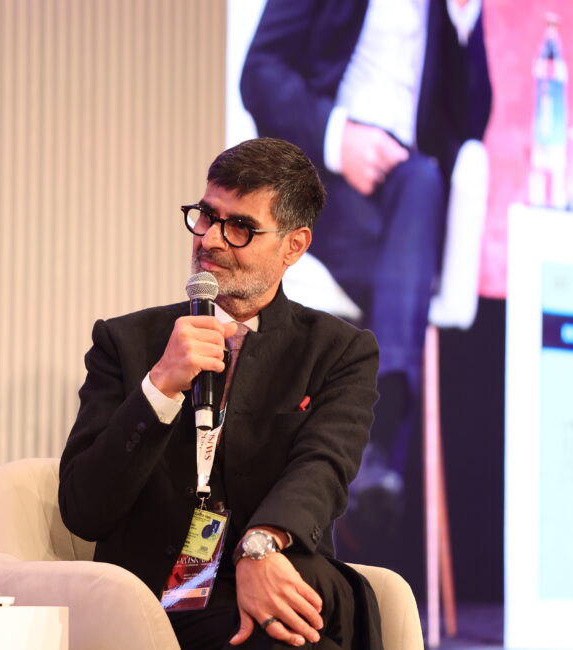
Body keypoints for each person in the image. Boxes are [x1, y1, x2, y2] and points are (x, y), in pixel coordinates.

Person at [59, 137, 383, 649]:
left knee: (308, 623)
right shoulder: (125, 343)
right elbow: (84, 510)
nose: (210, 239)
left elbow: (322, 467)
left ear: (294, 246)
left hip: (275, 565)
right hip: (162, 596)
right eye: (207, 216)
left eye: (240, 227)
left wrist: (259, 548)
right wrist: (160, 385)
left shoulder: (337, 351)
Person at [240, 0, 492, 545]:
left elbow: (470, 122)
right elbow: (259, 73)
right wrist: (339, 137)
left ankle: (368, 440)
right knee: (408, 250)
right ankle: (377, 444)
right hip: (326, 186)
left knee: (422, 179)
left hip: (408, 204)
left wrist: (465, 24)